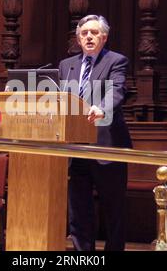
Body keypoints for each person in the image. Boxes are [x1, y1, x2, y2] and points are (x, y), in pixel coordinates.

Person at [58, 14, 132, 251]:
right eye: (84, 33)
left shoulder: (116, 61)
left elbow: (117, 91)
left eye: (94, 32)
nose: (89, 37)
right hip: (76, 147)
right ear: (78, 39)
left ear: (104, 37)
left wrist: (102, 108)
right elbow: (60, 99)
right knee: (78, 209)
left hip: (107, 146)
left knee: (114, 210)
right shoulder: (66, 65)